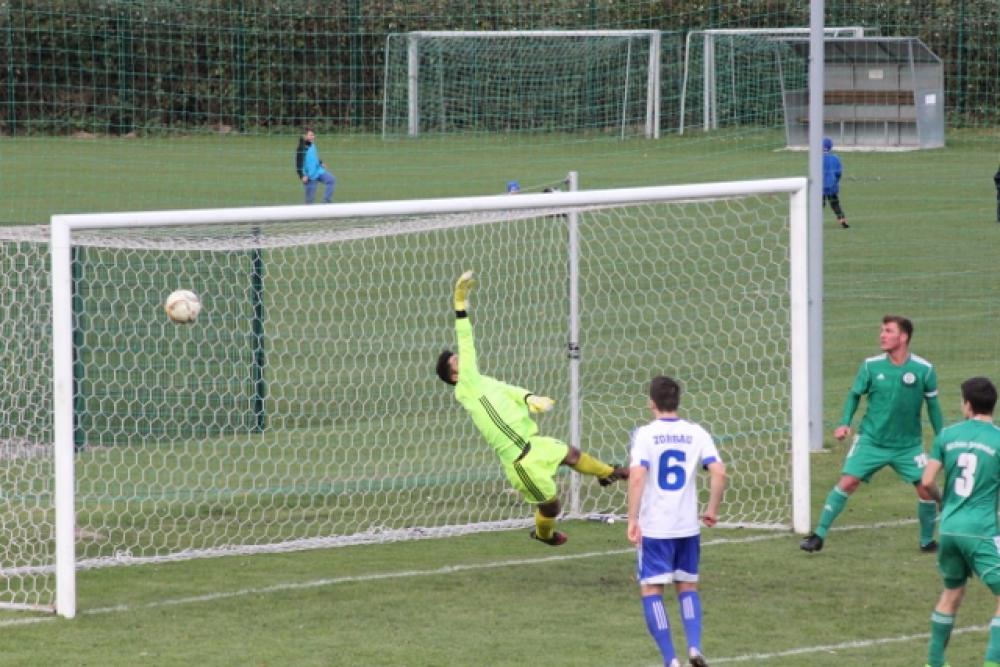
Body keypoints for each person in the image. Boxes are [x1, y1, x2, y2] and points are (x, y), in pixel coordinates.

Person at [435, 270, 627, 546]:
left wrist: (529, 398)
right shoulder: (466, 388)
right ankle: (543, 534)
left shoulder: (482, 382)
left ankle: (609, 474)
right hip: (521, 461)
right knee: (552, 508)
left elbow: (509, 389)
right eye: (456, 361)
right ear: (453, 376)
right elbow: (468, 343)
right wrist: (460, 307)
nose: (461, 358)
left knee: (571, 455)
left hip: (533, 444)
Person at [800, 315, 943, 553]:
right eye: (882, 330)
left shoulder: (924, 370)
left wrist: (943, 438)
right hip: (871, 441)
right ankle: (818, 536)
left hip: (908, 446)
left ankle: (927, 541)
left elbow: (934, 406)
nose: (882, 335)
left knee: (926, 489)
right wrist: (844, 423)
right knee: (848, 482)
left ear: (904, 336)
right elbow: (854, 394)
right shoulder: (871, 366)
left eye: (888, 331)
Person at [627, 376, 726, 667]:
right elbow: (719, 472)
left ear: (651, 403)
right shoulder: (697, 432)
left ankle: (671, 660)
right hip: (687, 527)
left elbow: (637, 476)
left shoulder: (644, 434)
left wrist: (632, 518)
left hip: (656, 527)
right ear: (677, 402)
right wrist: (712, 509)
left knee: (651, 589)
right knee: (687, 586)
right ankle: (694, 648)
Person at [919, 377, 1000, 667]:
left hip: (950, 527)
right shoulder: (998, 439)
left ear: (967, 404)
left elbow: (927, 481)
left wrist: (944, 502)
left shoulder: (947, 436)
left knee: (952, 592)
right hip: (981, 531)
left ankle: (935, 663)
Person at [295, 127, 335, 204]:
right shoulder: (301, 148)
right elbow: (298, 164)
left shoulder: (312, 145)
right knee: (310, 201)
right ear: (304, 136)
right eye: (310, 135)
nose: (312, 137)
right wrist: (302, 175)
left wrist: (320, 163)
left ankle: (326, 202)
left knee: (331, 180)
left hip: (318, 171)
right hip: (309, 176)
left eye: (313, 135)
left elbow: (314, 156)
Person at [822, 137, 849, 229]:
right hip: (831, 186)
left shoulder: (816, 158)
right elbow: (838, 173)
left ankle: (814, 221)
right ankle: (842, 220)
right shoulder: (835, 158)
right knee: (835, 204)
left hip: (819, 187)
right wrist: (835, 182)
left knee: (819, 205)